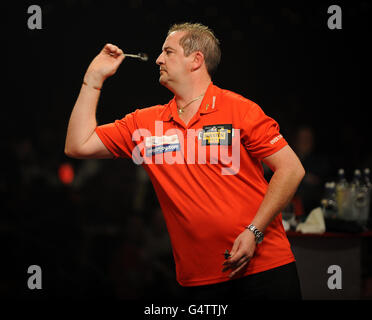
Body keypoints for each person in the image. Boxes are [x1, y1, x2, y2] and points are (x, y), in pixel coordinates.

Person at [65, 22, 305, 300]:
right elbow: (77, 145)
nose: (158, 59)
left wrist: (254, 231)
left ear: (196, 60)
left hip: (264, 267)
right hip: (198, 278)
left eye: (168, 52)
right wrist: (93, 79)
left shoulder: (240, 110)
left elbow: (291, 169)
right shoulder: (144, 123)